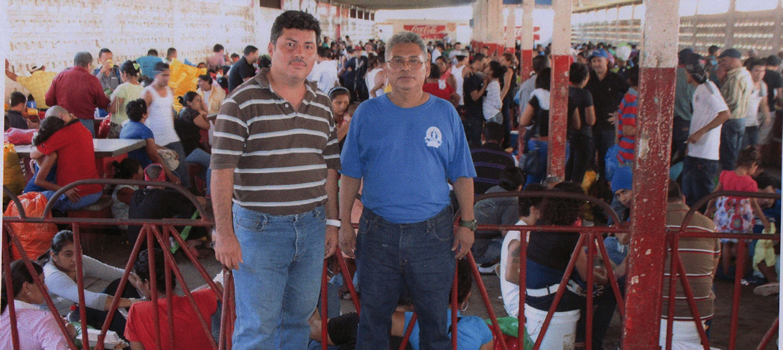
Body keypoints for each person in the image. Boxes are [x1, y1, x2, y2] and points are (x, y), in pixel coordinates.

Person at [210, 11, 341, 349]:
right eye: (290, 44)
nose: (299, 53)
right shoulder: (241, 102)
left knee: (298, 320)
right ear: (272, 47)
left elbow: (329, 166)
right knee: (258, 326)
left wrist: (332, 222)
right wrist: (224, 234)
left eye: (308, 46)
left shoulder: (322, 105)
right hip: (259, 230)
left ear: (316, 53)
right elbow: (221, 170)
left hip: (312, 227)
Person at [338, 30, 476, 349]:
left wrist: (468, 223)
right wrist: (344, 222)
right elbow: (349, 175)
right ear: (385, 68)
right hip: (377, 233)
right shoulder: (367, 114)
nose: (406, 67)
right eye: (397, 60)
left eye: (414, 61)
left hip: (434, 234)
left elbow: (463, 174)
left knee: (435, 324)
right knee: (372, 322)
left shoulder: (445, 114)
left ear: (426, 68)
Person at [524, 182, 608, 349]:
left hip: (531, 295)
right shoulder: (571, 236)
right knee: (609, 291)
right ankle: (590, 342)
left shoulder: (538, 226)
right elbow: (587, 276)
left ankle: (581, 336)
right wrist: (605, 278)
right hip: (552, 300)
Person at [41, 230, 142, 337]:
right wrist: (135, 302)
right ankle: (130, 339)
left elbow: (119, 274)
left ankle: (135, 329)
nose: (75, 259)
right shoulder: (52, 276)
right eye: (68, 254)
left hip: (79, 309)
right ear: (54, 256)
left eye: (79, 251)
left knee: (121, 283)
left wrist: (146, 287)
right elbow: (92, 300)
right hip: (61, 319)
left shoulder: (82, 261)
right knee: (106, 306)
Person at [660, 180, 721, 347]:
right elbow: (712, 273)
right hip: (700, 312)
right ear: (683, 199)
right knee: (707, 286)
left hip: (662, 312)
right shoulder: (709, 225)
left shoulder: (654, 224)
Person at [125, 249, 219, 350]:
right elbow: (219, 286)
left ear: (147, 283)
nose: (137, 284)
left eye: (137, 279)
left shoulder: (137, 312)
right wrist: (191, 296)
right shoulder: (201, 300)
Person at [705, 147, 770, 274]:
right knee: (742, 244)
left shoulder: (725, 175)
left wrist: (708, 209)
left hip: (725, 214)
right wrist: (765, 222)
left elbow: (714, 193)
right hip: (741, 217)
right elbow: (754, 204)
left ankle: (724, 271)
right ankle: (741, 275)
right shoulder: (750, 183)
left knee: (726, 243)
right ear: (753, 164)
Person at [29, 107, 103, 211]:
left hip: (77, 195)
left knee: (28, 201)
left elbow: (34, 155)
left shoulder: (62, 134)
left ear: (61, 117)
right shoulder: (83, 129)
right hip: (94, 190)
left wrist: (63, 190)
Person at [681, 55, 730, 208]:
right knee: (689, 197)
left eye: (687, 73)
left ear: (692, 73)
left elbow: (725, 114)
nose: (685, 76)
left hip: (705, 155)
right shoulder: (700, 90)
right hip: (695, 152)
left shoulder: (709, 89)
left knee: (701, 199)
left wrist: (700, 132)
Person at [0, 260, 76, 350]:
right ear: (27, 287)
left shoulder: (4, 312)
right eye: (42, 282)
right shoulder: (42, 320)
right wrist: (67, 335)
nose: (46, 288)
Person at [127, 164, 208, 246]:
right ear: (163, 178)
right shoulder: (164, 195)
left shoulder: (136, 194)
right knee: (195, 208)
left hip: (135, 244)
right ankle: (193, 241)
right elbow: (201, 201)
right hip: (158, 246)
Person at [141, 62, 190, 188]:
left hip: (172, 137)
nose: (167, 78)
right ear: (156, 75)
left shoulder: (170, 91)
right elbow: (141, 115)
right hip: (157, 140)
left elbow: (170, 112)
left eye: (168, 75)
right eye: (164, 75)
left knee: (182, 169)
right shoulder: (148, 92)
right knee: (166, 174)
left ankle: (187, 200)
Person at [500, 183, 546, 317]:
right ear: (534, 210)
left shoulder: (524, 230)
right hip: (519, 304)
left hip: (522, 298)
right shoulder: (520, 235)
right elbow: (511, 275)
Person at [584, 49, 629, 179]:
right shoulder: (588, 78)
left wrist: (619, 113)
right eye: (594, 61)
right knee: (589, 162)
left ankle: (604, 190)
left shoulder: (615, 78)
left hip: (608, 128)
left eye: (599, 60)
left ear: (607, 61)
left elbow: (630, 94)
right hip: (590, 127)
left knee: (607, 161)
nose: (597, 64)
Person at [473, 166, 526, 270]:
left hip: (468, 247)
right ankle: (491, 267)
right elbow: (507, 233)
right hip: (479, 253)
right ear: (520, 186)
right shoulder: (512, 200)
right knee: (519, 241)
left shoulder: (493, 190)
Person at [45, 52, 110, 136]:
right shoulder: (92, 80)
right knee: (86, 148)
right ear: (88, 64)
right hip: (85, 123)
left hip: (62, 123)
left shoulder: (60, 76)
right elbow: (102, 103)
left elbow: (48, 100)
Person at [119, 99, 180, 184]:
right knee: (176, 175)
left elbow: (149, 144)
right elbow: (154, 157)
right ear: (144, 115)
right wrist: (171, 176)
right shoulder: (145, 130)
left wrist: (167, 150)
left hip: (130, 168)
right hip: (144, 169)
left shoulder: (125, 127)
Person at [717, 48, 753, 171]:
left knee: (728, 155)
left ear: (733, 60)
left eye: (724, 61)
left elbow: (732, 101)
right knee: (734, 152)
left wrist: (718, 113)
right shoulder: (746, 74)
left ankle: (728, 182)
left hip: (731, 120)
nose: (721, 64)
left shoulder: (735, 77)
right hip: (741, 119)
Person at [565, 62, 596, 184]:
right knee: (578, 176)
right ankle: (574, 200)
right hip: (583, 137)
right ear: (585, 78)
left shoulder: (565, 91)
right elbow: (590, 120)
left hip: (568, 136)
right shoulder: (585, 94)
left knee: (567, 171)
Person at [175, 92, 212, 192]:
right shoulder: (193, 114)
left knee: (205, 166)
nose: (199, 103)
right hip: (190, 149)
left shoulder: (182, 112)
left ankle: (210, 186)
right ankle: (210, 192)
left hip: (183, 149)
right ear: (189, 102)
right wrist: (204, 113)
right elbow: (207, 126)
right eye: (197, 100)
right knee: (212, 162)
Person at [471, 122, 516, 195]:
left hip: (473, 202)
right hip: (497, 203)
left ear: (482, 136)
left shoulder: (472, 153)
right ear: (502, 140)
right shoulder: (508, 158)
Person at [23, 116, 63, 194]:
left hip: (33, 190)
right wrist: (65, 190)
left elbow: (36, 171)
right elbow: (39, 181)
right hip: (35, 194)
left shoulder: (41, 146)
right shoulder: (51, 154)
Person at [672, 49, 699, 162]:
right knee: (684, 157)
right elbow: (694, 99)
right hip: (685, 121)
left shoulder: (671, 74)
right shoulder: (690, 77)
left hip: (671, 120)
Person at [108, 60, 144, 138]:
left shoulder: (123, 88)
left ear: (124, 73)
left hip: (119, 128)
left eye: (120, 74)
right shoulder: (142, 88)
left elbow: (113, 110)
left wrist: (104, 101)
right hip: (135, 127)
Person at [741, 58, 771, 148]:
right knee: (743, 149)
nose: (760, 74)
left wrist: (767, 117)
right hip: (742, 122)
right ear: (750, 71)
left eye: (762, 71)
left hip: (754, 122)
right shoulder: (745, 83)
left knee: (753, 149)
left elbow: (763, 103)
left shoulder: (763, 85)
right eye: (757, 70)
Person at [463, 53, 489, 146]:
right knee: (474, 142)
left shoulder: (476, 76)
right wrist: (485, 86)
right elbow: (475, 97)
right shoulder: (472, 77)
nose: (484, 67)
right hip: (473, 114)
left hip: (475, 113)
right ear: (477, 62)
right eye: (484, 64)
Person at [110, 158, 142, 231]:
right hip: (128, 225)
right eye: (141, 170)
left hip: (135, 219)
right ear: (134, 175)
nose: (143, 172)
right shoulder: (124, 191)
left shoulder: (134, 184)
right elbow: (142, 205)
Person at [616, 65, 639, 166]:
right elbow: (628, 130)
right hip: (629, 155)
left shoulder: (632, 97)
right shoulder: (632, 100)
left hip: (628, 152)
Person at [482, 61, 507, 125]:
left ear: (491, 71)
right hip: (490, 116)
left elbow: (498, 104)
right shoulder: (490, 83)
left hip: (493, 116)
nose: (484, 68)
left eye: (487, 67)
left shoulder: (494, 85)